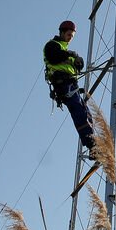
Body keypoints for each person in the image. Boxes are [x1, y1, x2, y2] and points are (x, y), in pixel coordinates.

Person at [43, 19, 95, 155]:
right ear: (62, 33)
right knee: (79, 111)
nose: (70, 38)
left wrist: (78, 62)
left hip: (71, 85)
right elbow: (54, 57)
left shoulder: (65, 50)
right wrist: (72, 54)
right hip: (62, 84)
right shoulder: (52, 45)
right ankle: (91, 144)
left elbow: (76, 66)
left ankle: (93, 145)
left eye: (72, 36)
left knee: (86, 113)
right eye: (68, 35)